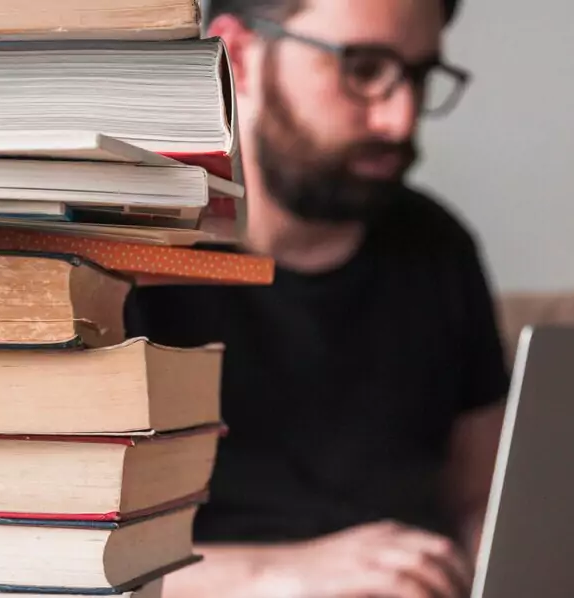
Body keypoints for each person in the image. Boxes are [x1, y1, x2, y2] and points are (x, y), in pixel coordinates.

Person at [124, 0, 510, 596]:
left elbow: (481, 495)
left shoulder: (437, 246)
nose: (401, 121)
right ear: (239, 58)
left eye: (418, 75)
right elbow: (23, 554)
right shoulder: (110, 252)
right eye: (362, 69)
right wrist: (281, 576)